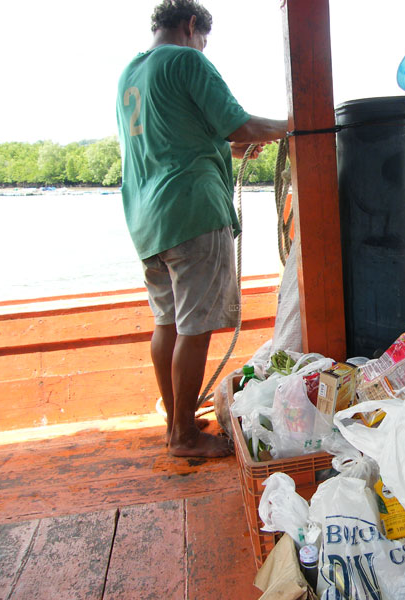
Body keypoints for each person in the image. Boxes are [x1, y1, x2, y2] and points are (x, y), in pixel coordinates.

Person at [116, 0, 289, 457]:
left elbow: (181, 137)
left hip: (147, 219)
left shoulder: (130, 75)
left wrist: (228, 150)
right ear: (192, 25)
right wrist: (297, 126)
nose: (202, 47)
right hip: (192, 210)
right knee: (195, 327)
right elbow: (244, 124)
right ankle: (184, 437)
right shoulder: (187, 59)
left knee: (166, 323)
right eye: (203, 39)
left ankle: (177, 418)